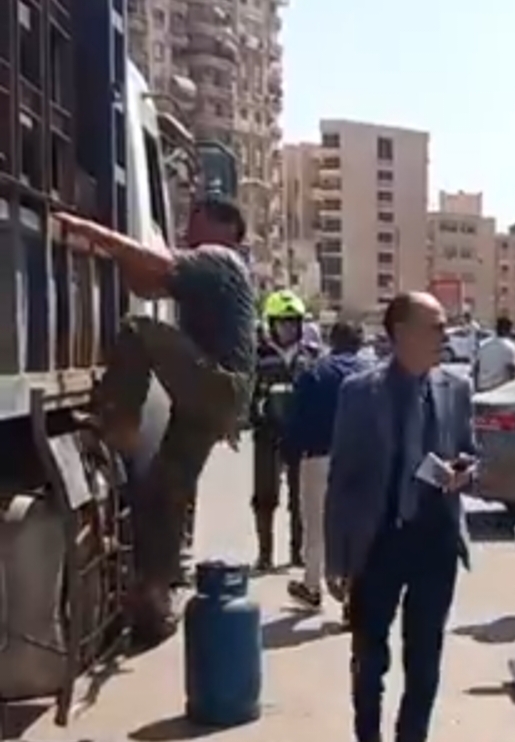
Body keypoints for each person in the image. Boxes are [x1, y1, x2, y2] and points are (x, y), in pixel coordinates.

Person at [55, 197, 256, 646]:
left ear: (225, 227)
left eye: (196, 220)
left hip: (215, 383)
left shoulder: (219, 258)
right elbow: (148, 285)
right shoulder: (214, 275)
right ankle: (154, 600)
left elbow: (155, 267)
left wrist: (88, 231)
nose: (187, 230)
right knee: (165, 493)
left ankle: (119, 423)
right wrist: (119, 254)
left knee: (137, 330)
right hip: (218, 399)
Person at [326, 291, 476, 742]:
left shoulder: (457, 388)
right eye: (435, 327)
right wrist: (336, 558)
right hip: (379, 541)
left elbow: (471, 452)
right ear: (402, 333)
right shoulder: (359, 393)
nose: (445, 336)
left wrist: (464, 472)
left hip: (435, 541)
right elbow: (342, 479)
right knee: (369, 658)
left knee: (424, 660)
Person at [285, 320, 364, 610]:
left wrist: (290, 456)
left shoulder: (315, 372)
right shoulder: (372, 373)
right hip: (362, 461)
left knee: (315, 525)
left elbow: (297, 418)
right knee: (356, 527)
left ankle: (311, 585)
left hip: (319, 457)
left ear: (331, 341)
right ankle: (353, 596)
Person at [251, 289, 319, 572]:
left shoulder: (310, 357)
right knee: (264, 497)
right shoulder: (258, 357)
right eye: (282, 322)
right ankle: (265, 554)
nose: (287, 328)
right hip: (267, 435)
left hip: (299, 437)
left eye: (292, 322)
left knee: (299, 498)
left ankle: (297, 552)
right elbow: (248, 395)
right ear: (271, 324)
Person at [474, 316, 515, 392]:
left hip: (483, 387)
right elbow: (513, 370)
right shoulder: (510, 347)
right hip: (500, 390)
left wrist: (476, 387)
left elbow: (476, 368)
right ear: (509, 330)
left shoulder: (484, 345)